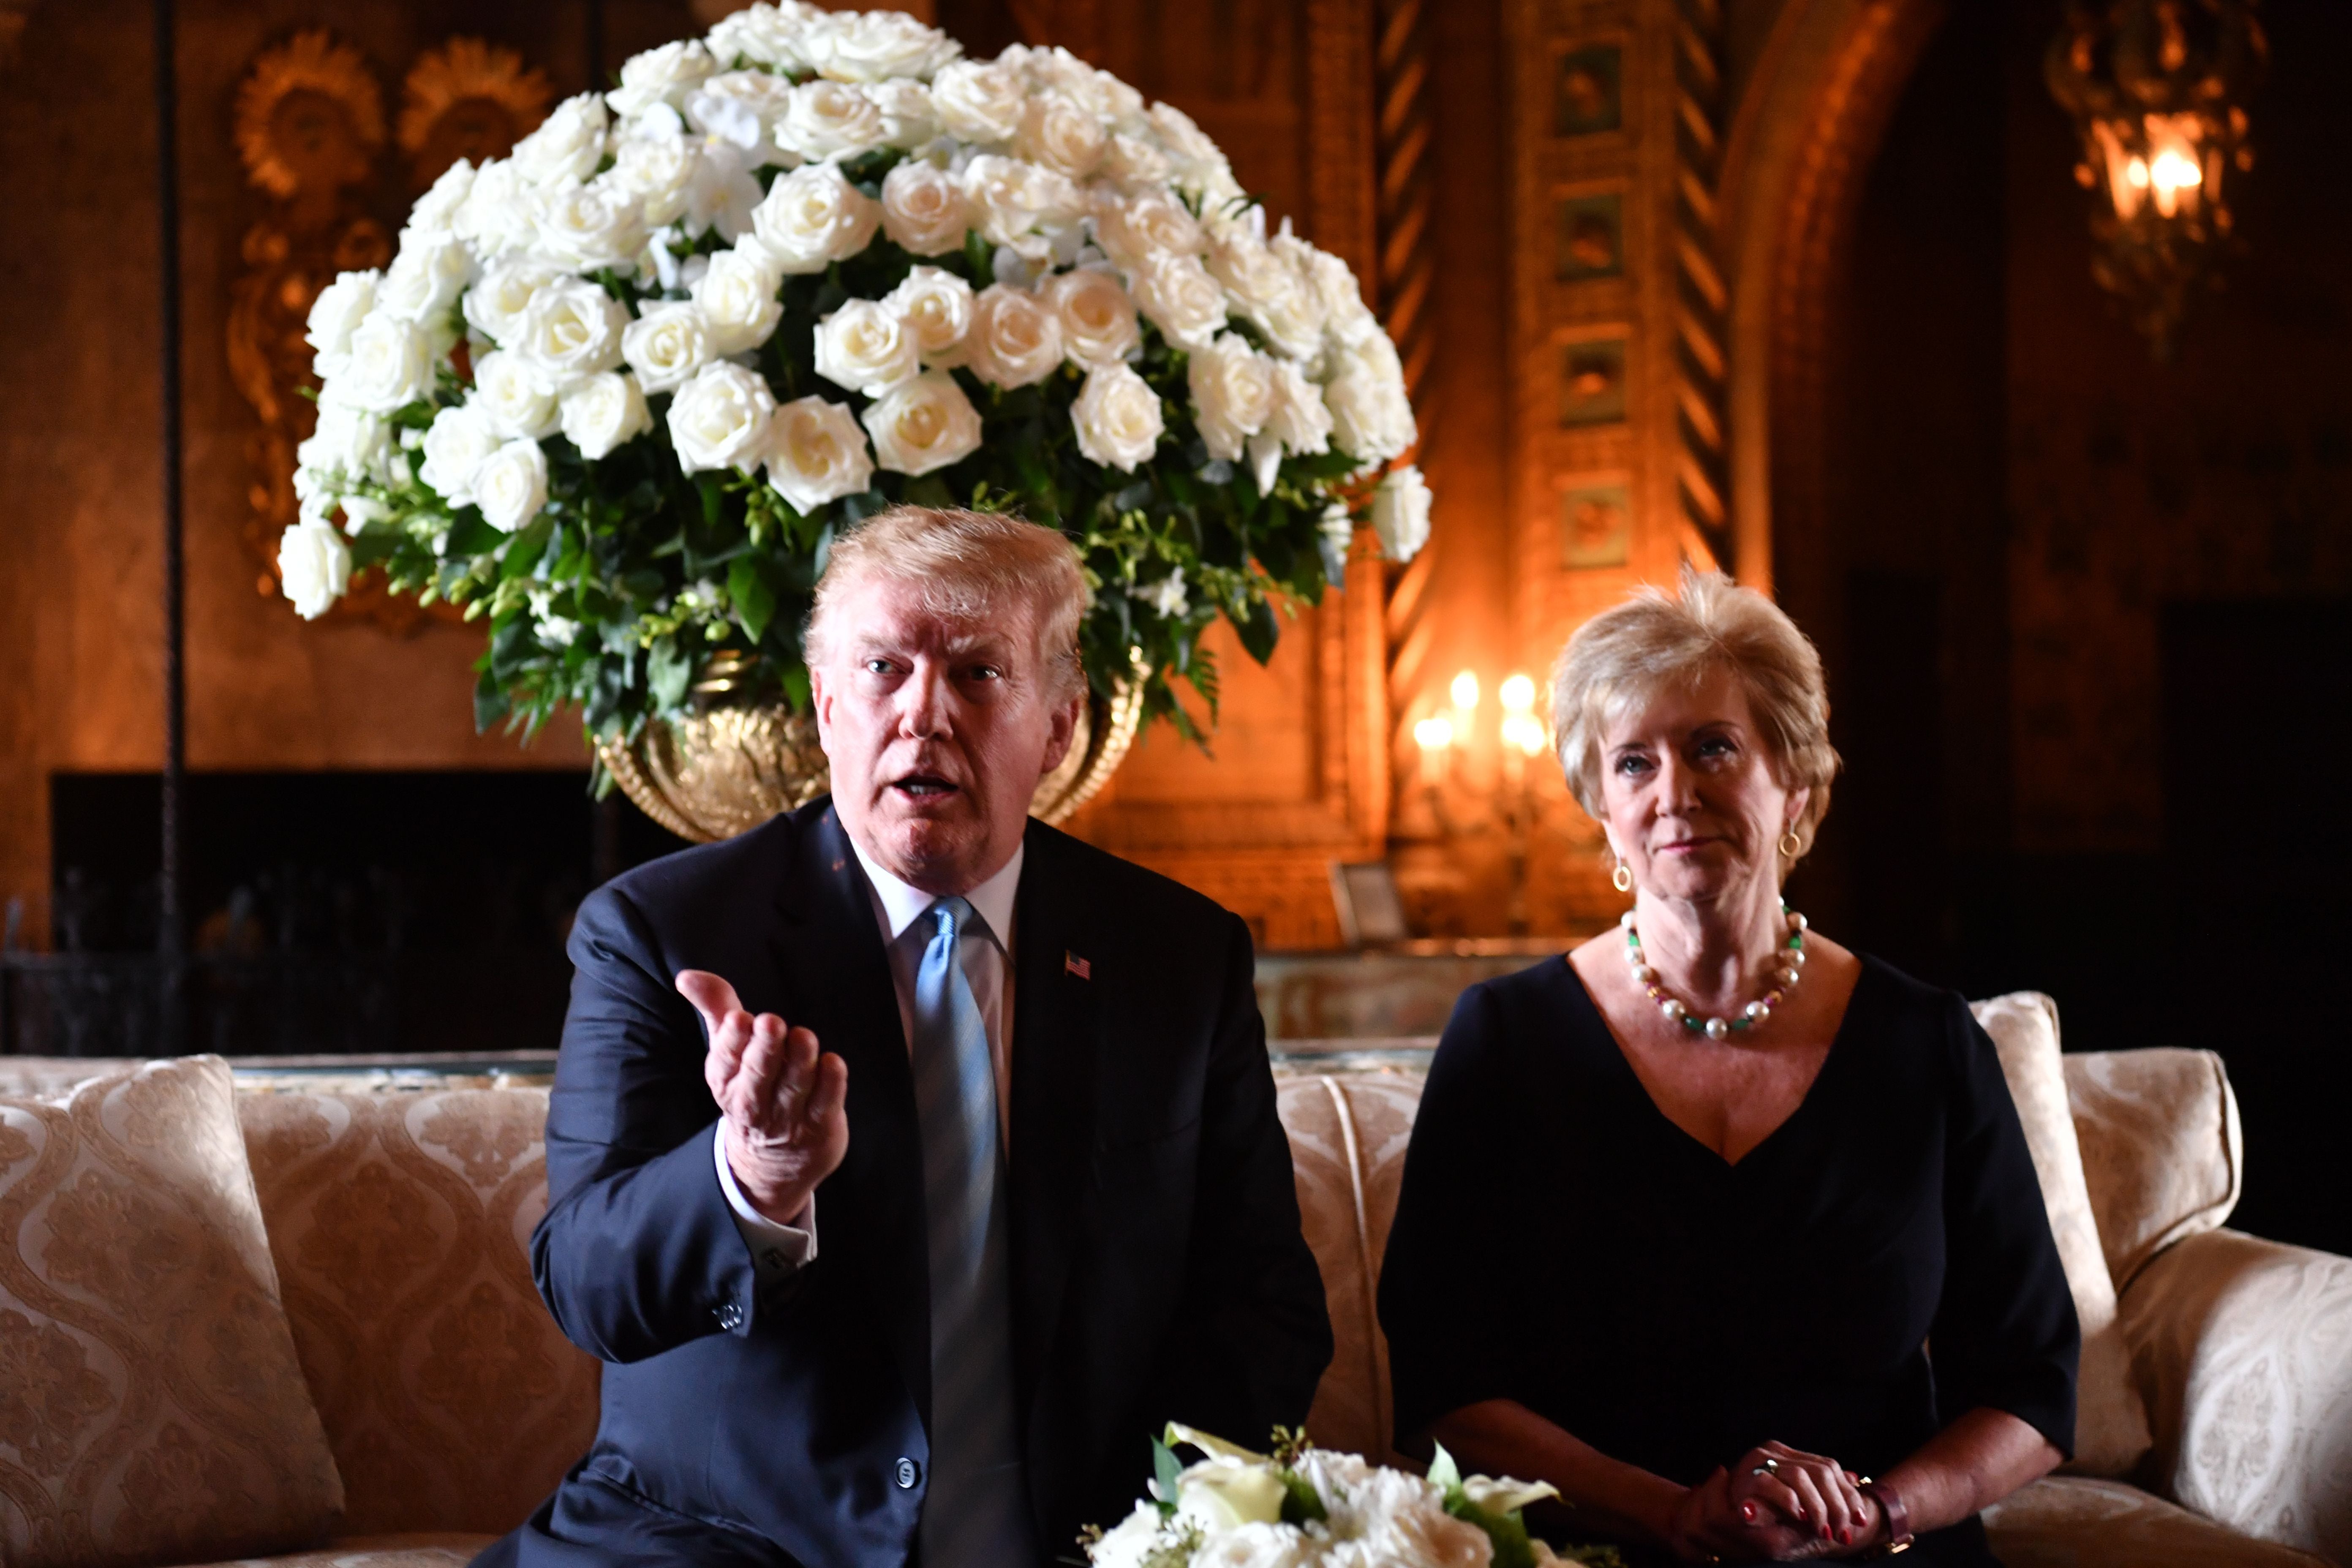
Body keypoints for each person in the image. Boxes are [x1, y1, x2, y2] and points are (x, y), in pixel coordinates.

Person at [479, 506, 1333, 1568]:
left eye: (978, 674)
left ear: (1061, 725)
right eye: (884, 667)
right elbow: (589, 1282)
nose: (923, 712)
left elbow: (1264, 1307)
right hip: (725, 1544)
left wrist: (1175, 1533)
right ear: (828, 705)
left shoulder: (1178, 955)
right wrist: (752, 1175)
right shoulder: (664, 933)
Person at [1376, 570, 2077, 1566]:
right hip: (1600, 1547)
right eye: (1632, 763)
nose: (1674, 793)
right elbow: (1444, 1392)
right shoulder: (1504, 1040)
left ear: (1793, 782)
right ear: (1602, 810)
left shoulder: (1926, 1043)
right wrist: (1673, 1514)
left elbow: (2033, 1384)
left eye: (1713, 746)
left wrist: (1874, 1513)